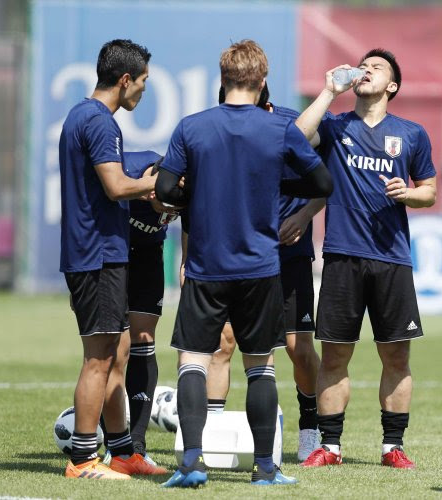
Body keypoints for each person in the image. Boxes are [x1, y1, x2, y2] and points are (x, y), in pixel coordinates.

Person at [155, 39, 333, 488]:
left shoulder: (191, 127)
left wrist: (191, 195)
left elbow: (164, 190)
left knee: (193, 362)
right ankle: (265, 468)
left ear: (223, 79)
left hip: (205, 265)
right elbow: (322, 181)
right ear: (262, 81)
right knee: (261, 367)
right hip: (259, 266)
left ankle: (192, 462)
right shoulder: (278, 129)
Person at [295, 48, 437, 469]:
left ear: (392, 86)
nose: (367, 71)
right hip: (342, 256)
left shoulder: (411, 134)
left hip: (392, 259)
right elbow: (298, 137)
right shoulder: (336, 126)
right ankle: (331, 447)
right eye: (364, 67)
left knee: (396, 357)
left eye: (378, 68)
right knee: (335, 356)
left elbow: (429, 190)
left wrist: (408, 193)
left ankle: (392, 446)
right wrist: (327, 90)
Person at [198, 83, 324, 463]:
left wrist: (303, 214)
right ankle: (214, 435)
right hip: (236, 253)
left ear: (262, 100)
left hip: (288, 253)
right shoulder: (216, 128)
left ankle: (311, 428)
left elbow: (325, 179)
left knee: (297, 348)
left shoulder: (292, 123)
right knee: (224, 342)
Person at [59, 39, 166, 479]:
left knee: (118, 350)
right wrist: (160, 184)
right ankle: (83, 458)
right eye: (142, 83)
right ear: (125, 80)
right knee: (99, 358)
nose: (142, 92)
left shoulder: (84, 116)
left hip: (106, 253)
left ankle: (122, 451)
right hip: (96, 255)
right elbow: (117, 187)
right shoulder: (100, 122)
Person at [116, 151, 176, 468]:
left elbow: (196, 219)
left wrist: (185, 261)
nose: (169, 215)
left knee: (143, 337)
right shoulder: (124, 171)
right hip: (112, 255)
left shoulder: (185, 181)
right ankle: (112, 440)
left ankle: (137, 445)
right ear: (151, 189)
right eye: (165, 207)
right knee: (115, 345)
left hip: (149, 255)